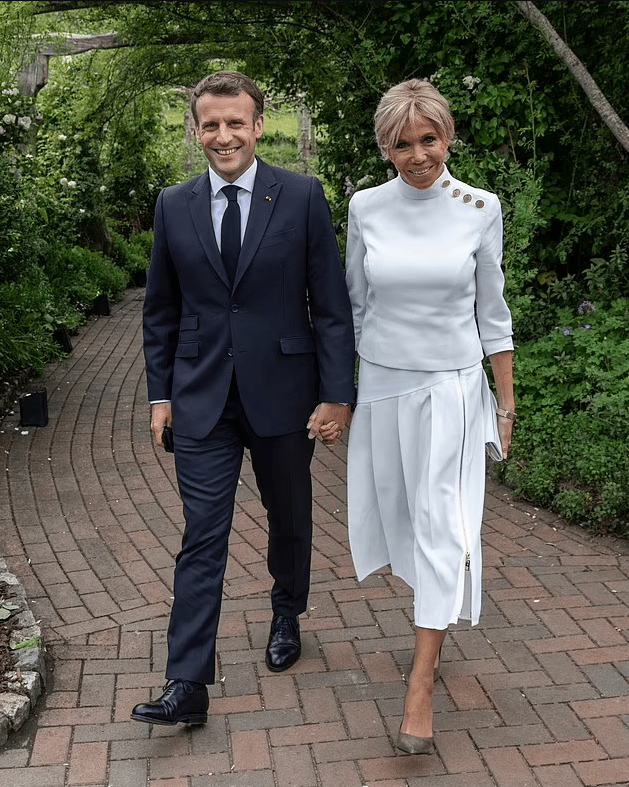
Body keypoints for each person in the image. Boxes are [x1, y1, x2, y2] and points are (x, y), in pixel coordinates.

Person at [132, 71, 355, 726]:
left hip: (285, 393)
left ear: (257, 126)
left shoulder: (301, 196)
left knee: (288, 518)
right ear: (196, 130)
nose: (223, 135)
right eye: (210, 124)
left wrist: (337, 394)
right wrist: (160, 393)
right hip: (202, 398)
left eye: (236, 122)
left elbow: (332, 309)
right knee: (202, 535)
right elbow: (159, 311)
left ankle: (286, 612)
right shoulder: (172, 205)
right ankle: (187, 681)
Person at [343, 79, 515, 755]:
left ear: (447, 136)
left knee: (443, 523)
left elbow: (492, 313)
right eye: (401, 143)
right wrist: (340, 393)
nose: (417, 155)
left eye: (428, 139)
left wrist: (504, 401)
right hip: (384, 386)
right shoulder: (364, 207)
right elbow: (354, 305)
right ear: (384, 146)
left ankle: (420, 678)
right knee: (400, 524)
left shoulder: (479, 206)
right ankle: (431, 618)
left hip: (449, 389)